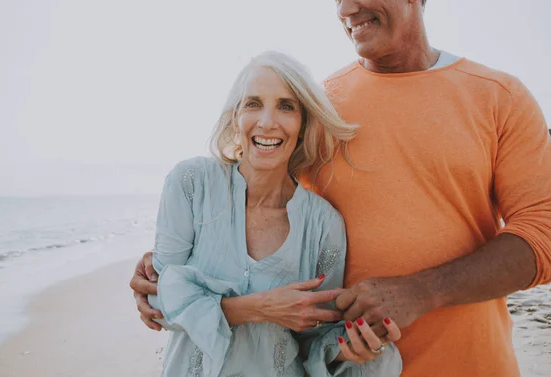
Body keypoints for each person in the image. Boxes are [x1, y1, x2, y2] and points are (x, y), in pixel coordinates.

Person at [132, 1, 551, 376]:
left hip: (470, 365)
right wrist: (166, 266)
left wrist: (424, 291)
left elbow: (543, 234)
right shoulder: (321, 106)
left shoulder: (499, 96)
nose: (347, 8)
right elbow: (257, 201)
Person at [145, 51, 403, 377]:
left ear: (303, 123)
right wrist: (258, 309)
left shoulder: (324, 225)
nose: (267, 122)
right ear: (235, 116)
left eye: (286, 106)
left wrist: (352, 348)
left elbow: (315, 337)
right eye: (253, 104)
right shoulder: (192, 184)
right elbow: (158, 305)